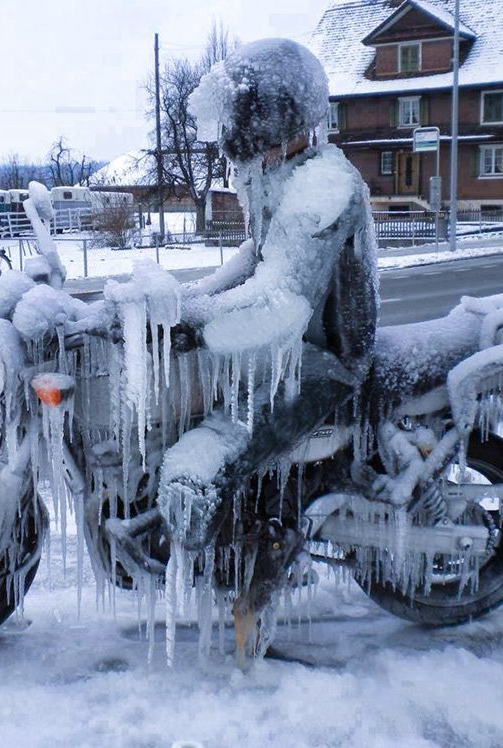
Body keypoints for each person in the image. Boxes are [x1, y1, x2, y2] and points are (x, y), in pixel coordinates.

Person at [153, 39, 380, 651]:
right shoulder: (280, 177)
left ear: (274, 115)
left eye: (240, 114)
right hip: (289, 350)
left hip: (326, 360)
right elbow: (254, 260)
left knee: (217, 447)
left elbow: (281, 301)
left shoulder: (324, 186)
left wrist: (194, 325)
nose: (232, 132)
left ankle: (260, 567)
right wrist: (181, 303)